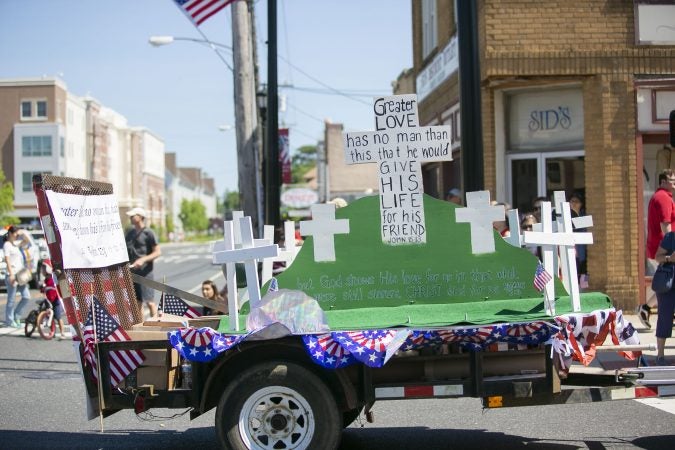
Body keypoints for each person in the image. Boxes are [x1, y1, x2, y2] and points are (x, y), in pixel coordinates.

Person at [642, 169, 675, 328]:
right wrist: (670, 248)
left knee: (666, 283)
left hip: (658, 248)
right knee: (666, 283)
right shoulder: (663, 198)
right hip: (663, 250)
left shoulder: (660, 196)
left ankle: (646, 308)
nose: (674, 184)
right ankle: (646, 308)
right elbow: (665, 225)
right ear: (663, 182)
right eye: (672, 180)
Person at [125, 207, 161, 318]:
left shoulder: (149, 233)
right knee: (137, 303)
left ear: (140, 217)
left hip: (146, 274)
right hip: (133, 273)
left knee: (150, 302)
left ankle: (155, 327)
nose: (130, 218)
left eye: (133, 216)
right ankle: (141, 326)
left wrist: (143, 259)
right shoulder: (129, 233)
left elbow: (157, 252)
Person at [652, 232, 675, 365]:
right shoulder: (670, 237)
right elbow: (657, 257)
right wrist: (670, 258)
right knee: (665, 318)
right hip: (668, 284)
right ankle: (660, 356)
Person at [3, 226, 32, 327]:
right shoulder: (7, 245)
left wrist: (22, 232)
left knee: (26, 296)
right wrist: (11, 274)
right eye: (15, 233)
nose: (16, 235)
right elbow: (7, 260)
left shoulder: (16, 244)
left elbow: (28, 241)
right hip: (12, 275)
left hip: (20, 276)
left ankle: (16, 315)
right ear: (10, 233)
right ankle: (10, 321)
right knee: (11, 299)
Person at [41, 259, 66, 340]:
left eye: (45, 268)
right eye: (42, 268)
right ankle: (53, 331)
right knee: (50, 317)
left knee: (58, 317)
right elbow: (44, 289)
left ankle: (62, 332)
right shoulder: (45, 279)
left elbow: (55, 287)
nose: (43, 270)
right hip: (49, 301)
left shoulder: (52, 278)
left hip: (56, 300)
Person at [569, 192, 588, 287]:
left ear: (581, 204)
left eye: (577, 202)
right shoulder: (565, 217)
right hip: (572, 252)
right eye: (572, 201)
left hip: (583, 255)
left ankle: (584, 287)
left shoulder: (584, 216)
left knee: (583, 283)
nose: (574, 204)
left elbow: (582, 229)